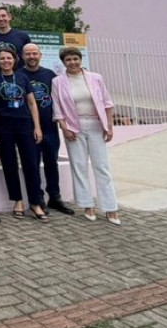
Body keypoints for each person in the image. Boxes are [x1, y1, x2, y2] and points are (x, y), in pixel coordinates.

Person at [51, 47, 120, 225]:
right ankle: (87, 205)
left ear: (80, 60)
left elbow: (107, 103)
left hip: (96, 125)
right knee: (79, 166)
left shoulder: (95, 78)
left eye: (75, 59)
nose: (72, 62)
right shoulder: (58, 82)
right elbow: (57, 109)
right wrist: (64, 128)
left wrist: (109, 126)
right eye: (68, 60)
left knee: (102, 167)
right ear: (63, 62)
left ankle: (110, 207)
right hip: (74, 127)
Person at [0, 46, 47, 221]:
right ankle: (18, 200)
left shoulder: (22, 77)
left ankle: (35, 202)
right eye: (2, 58)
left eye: (9, 58)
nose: (6, 61)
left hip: (24, 124)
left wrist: (37, 127)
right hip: (2, 125)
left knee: (31, 163)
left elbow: (32, 103)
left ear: (15, 60)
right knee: (9, 163)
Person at [22, 44, 74, 215]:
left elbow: (59, 100)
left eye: (34, 53)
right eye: (28, 54)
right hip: (29, 129)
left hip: (50, 127)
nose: (31, 56)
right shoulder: (19, 75)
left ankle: (55, 197)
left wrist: (63, 123)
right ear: (22, 56)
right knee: (33, 165)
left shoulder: (50, 75)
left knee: (52, 163)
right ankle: (37, 198)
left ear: (40, 55)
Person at [0, 5, 31, 73]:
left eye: (3, 15)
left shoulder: (23, 36)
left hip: (20, 79)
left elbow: (29, 59)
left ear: (9, 17)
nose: (1, 19)